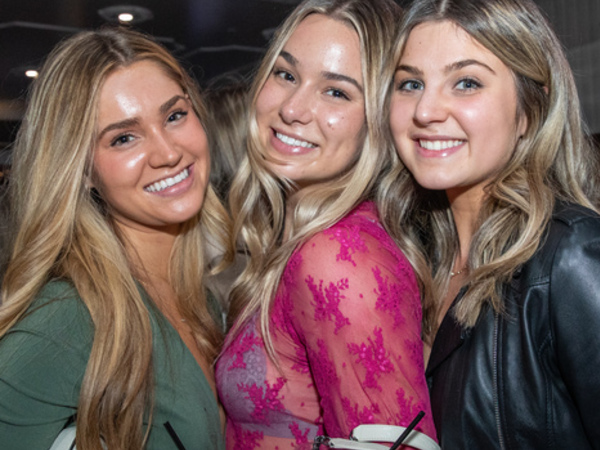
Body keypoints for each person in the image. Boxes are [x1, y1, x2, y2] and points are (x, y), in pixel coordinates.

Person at [216, 0, 437, 448]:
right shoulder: (300, 238)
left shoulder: (337, 258)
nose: (293, 109)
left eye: (336, 92)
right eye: (285, 74)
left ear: (378, 120)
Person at [378, 0, 600, 447]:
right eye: (410, 83)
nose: (425, 110)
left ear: (530, 109)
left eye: (466, 82)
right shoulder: (413, 261)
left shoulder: (571, 255)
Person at [0, 28, 228, 449]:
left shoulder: (203, 299)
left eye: (175, 116)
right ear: (82, 170)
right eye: (124, 138)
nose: (167, 153)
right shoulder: (68, 320)